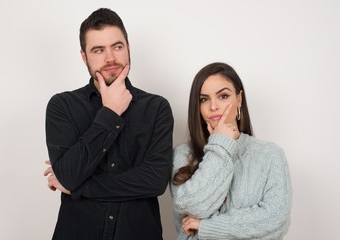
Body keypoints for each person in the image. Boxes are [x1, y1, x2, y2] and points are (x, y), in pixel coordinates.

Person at [43, 8, 174, 240]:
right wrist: (110, 113)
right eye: (98, 50)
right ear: (84, 56)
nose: (110, 58)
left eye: (117, 46)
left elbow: (154, 181)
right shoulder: (62, 106)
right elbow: (69, 175)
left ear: (128, 48)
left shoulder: (157, 108)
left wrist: (78, 188)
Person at [170, 62, 292, 239]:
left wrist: (207, 227)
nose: (214, 106)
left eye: (223, 96)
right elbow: (193, 206)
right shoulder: (182, 155)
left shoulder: (270, 155)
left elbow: (275, 220)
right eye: (204, 99)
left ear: (239, 98)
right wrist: (220, 145)